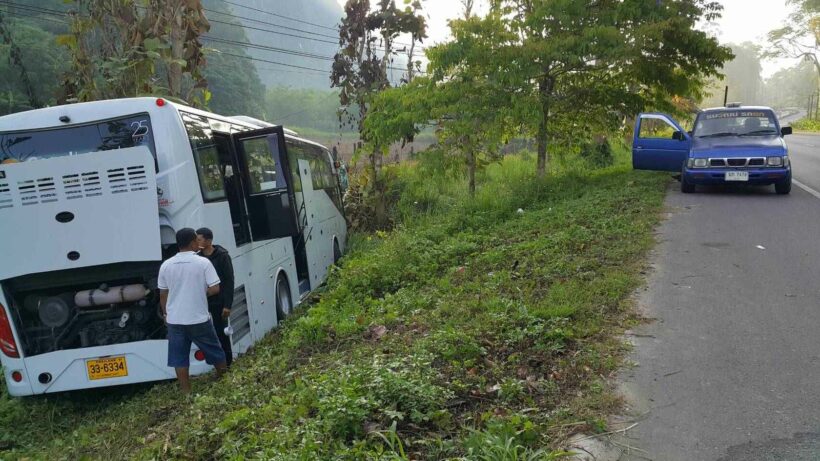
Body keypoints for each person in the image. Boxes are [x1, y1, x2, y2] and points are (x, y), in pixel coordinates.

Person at [158, 228, 227, 393]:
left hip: (175, 320)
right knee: (215, 351)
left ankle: (186, 392)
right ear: (191, 243)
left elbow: (163, 293)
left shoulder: (166, 265)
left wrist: (166, 314)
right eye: (197, 240)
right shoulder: (203, 263)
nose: (199, 243)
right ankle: (225, 380)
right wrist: (201, 292)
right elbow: (215, 288)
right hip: (198, 318)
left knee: (179, 358)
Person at [196, 227, 235, 367]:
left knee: (222, 333)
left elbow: (229, 280)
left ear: (208, 240)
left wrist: (227, 305)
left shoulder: (222, 256)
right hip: (204, 302)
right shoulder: (197, 258)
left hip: (220, 302)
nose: (196, 241)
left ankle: (228, 363)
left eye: (199, 239)